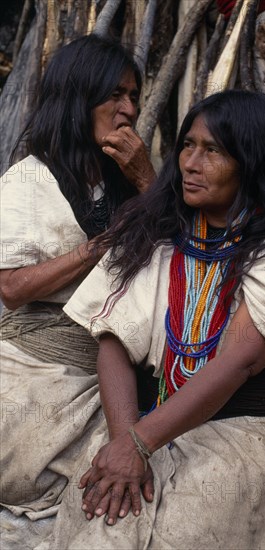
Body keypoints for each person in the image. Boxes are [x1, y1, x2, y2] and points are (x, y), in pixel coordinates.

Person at [38, 90, 265, 549]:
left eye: (214, 151)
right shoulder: (159, 235)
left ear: (254, 162)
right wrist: (124, 442)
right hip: (148, 420)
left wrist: (140, 445)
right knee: (101, 514)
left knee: (185, 528)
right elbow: (114, 340)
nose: (190, 162)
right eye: (188, 145)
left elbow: (239, 362)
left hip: (251, 431)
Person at [0, 34, 155, 518]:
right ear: (77, 99)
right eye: (115, 95)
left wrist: (148, 179)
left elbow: (184, 252)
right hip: (36, 367)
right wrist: (103, 243)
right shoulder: (28, 179)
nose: (128, 109)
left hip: (112, 364)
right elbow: (11, 287)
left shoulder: (124, 177)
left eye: (133, 96)